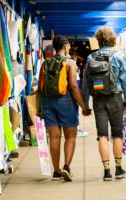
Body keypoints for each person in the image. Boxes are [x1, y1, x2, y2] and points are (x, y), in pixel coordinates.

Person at [82, 27, 126, 181]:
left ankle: (106, 171)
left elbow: (85, 83)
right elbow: (125, 81)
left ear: (99, 40)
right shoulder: (118, 56)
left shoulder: (91, 58)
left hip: (98, 99)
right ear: (112, 40)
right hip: (115, 98)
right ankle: (118, 169)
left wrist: (85, 105)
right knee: (117, 134)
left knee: (102, 135)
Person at [38, 35, 91, 181]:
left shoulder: (45, 63)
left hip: (47, 102)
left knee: (54, 137)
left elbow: (40, 87)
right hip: (65, 101)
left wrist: (39, 108)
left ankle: (56, 171)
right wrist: (84, 106)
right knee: (70, 136)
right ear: (66, 46)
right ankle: (66, 166)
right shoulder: (70, 63)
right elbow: (73, 87)